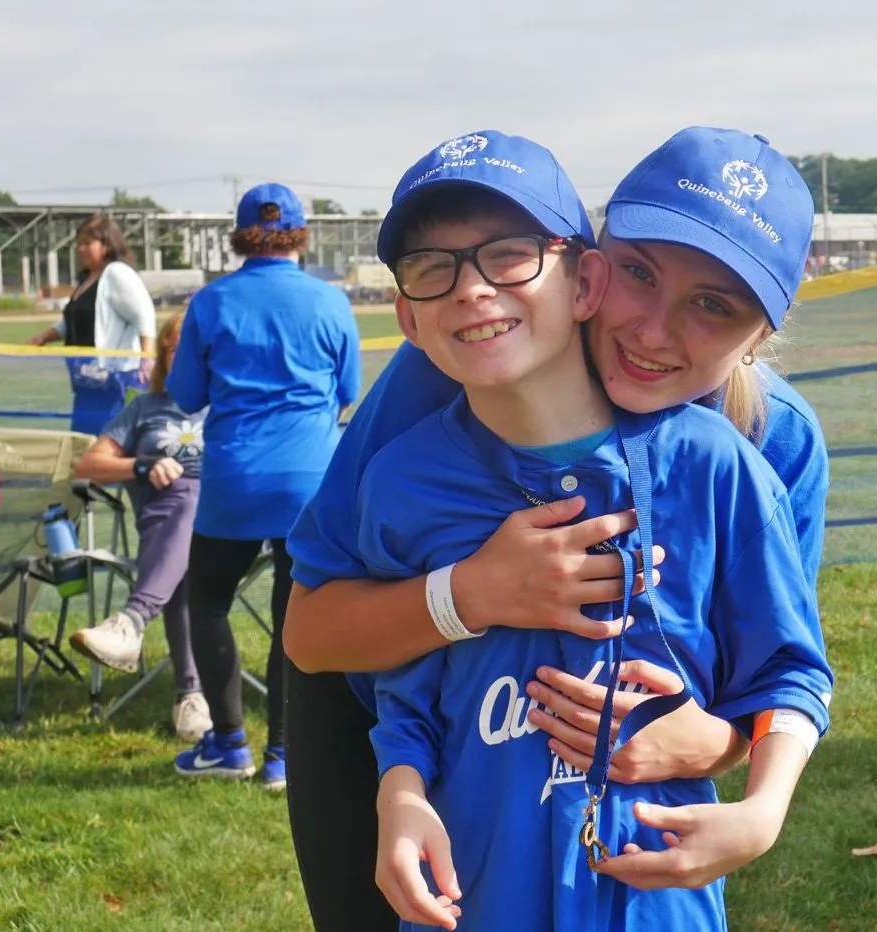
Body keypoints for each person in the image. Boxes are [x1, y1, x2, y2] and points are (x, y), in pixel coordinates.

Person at [283, 127, 831, 930]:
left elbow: (771, 667)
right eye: (640, 275)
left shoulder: (761, 446)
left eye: (715, 307)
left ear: (760, 339)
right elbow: (317, 635)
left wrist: (713, 750)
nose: (651, 331)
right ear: (593, 269)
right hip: (383, 699)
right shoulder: (457, 362)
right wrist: (472, 594)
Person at [167, 183, 361, 789]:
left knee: (206, 601)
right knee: (293, 616)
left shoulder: (212, 301)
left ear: (240, 235)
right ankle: (281, 754)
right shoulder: (330, 302)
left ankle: (229, 744)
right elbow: (348, 390)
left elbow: (185, 395)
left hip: (235, 480)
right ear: (299, 234)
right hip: (311, 481)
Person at [67, 310, 212, 741]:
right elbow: (90, 464)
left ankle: (132, 623)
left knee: (194, 499)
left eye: (194, 350)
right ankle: (190, 696)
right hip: (168, 526)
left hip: (232, 532)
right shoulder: (144, 410)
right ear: (163, 357)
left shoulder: (229, 406)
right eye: (174, 348)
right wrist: (143, 463)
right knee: (185, 523)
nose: (183, 357)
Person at [29, 215, 158, 437]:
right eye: (79, 243)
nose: (80, 249)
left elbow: (144, 315)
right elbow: (70, 321)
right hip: (87, 379)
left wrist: (147, 359)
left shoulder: (117, 273)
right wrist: (43, 338)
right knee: (83, 443)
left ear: (107, 245)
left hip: (114, 381)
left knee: (109, 443)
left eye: (88, 243)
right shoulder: (87, 279)